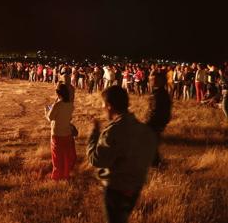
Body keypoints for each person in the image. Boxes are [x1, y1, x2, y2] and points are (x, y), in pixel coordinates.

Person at [87, 86, 157, 223]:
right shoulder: (144, 130)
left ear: (109, 106)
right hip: (135, 187)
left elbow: (96, 160)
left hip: (116, 189)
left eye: (103, 104)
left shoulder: (113, 132)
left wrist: (94, 134)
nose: (102, 107)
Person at [45, 83, 76, 180]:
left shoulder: (57, 105)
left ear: (58, 94)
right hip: (67, 133)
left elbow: (50, 118)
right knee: (65, 156)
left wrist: (46, 110)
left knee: (57, 157)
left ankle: (57, 176)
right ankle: (66, 174)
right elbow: (69, 117)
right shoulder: (70, 105)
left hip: (57, 134)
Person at [145, 71, 172, 167]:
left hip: (154, 123)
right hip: (157, 123)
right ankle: (156, 164)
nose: (151, 81)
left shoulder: (159, 94)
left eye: (154, 79)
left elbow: (155, 111)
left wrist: (147, 123)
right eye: (151, 79)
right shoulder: (159, 93)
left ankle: (156, 164)